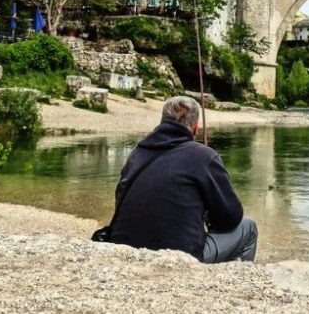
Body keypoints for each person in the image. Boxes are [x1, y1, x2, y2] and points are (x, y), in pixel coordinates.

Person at [110, 96, 257, 263]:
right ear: (195, 128)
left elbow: (120, 200)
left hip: (124, 248)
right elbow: (231, 218)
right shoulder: (204, 156)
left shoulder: (136, 153)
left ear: (162, 121)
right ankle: (235, 274)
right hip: (180, 257)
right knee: (248, 227)